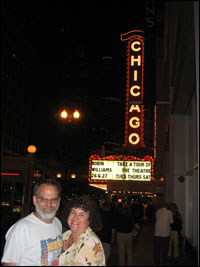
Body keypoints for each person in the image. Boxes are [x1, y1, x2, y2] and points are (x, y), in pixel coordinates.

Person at [1, 179, 62, 266]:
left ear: (58, 201)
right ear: (34, 200)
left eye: (54, 199)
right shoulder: (21, 229)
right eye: (43, 199)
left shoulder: (57, 223)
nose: (49, 204)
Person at [58, 195, 106, 266]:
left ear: (89, 220)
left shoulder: (91, 243)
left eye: (81, 214)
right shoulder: (65, 235)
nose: (75, 218)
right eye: (73, 212)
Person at [154, 201, 173, 266]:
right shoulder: (169, 212)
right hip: (165, 233)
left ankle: (157, 262)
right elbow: (171, 222)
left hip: (157, 233)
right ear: (167, 206)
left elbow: (157, 220)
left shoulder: (158, 212)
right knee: (165, 249)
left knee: (157, 249)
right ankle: (164, 262)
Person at [116, 200, 134, 266]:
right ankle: (130, 264)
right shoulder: (130, 217)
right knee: (129, 252)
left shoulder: (119, 216)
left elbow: (117, 225)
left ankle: (122, 264)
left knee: (121, 253)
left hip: (120, 234)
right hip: (129, 234)